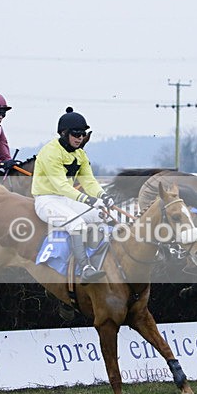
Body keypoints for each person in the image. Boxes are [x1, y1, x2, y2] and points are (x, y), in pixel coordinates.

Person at [32, 107, 114, 283]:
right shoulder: (50, 152)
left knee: (102, 215)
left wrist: (103, 196)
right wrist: (87, 199)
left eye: (83, 134)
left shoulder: (80, 154)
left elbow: (89, 181)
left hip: (66, 199)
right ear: (64, 133)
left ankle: (102, 259)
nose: (80, 138)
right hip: (46, 200)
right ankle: (84, 268)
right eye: (76, 134)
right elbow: (61, 185)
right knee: (77, 224)